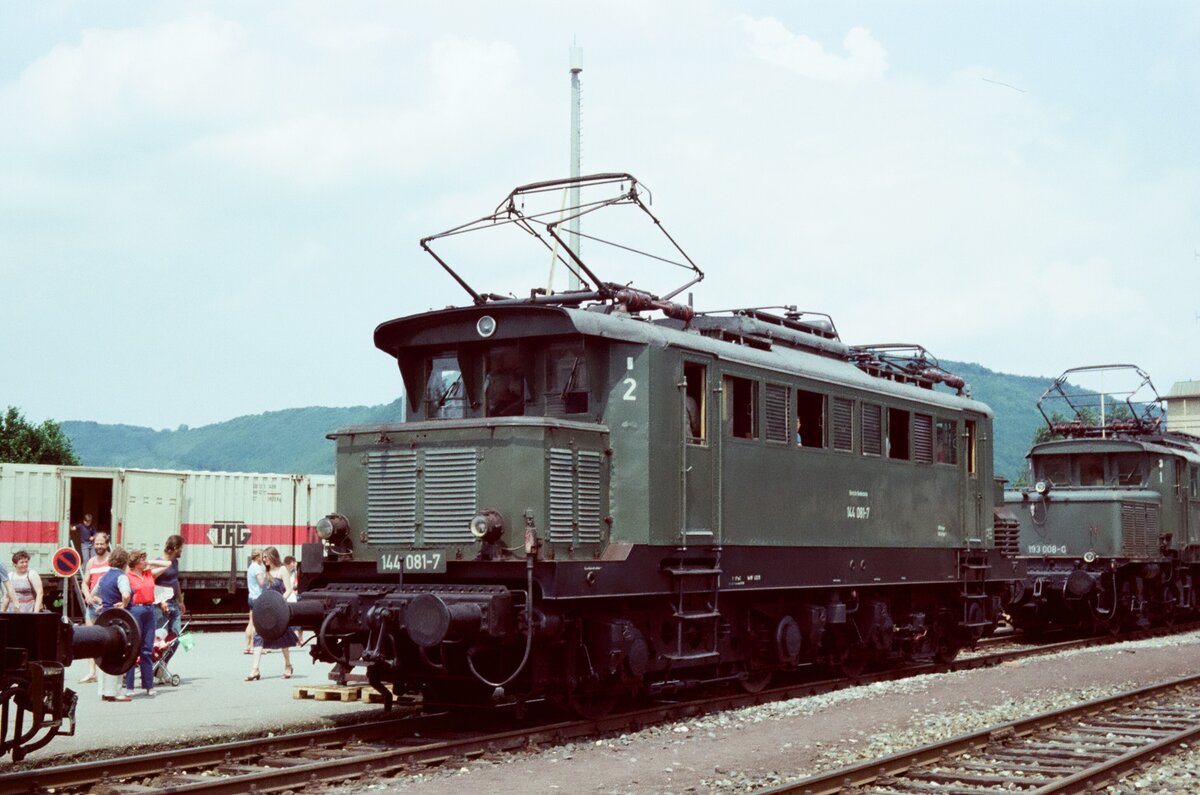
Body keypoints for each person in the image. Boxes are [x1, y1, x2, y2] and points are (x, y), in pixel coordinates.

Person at [246, 547, 297, 681]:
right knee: (258, 636)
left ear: (273, 556)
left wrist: (281, 601)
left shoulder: (282, 570)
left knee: (282, 637)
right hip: (265, 608)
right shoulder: (266, 571)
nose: (264, 559)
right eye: (263, 557)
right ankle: (255, 669)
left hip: (278, 609)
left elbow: (288, 589)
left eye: (266, 557)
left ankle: (288, 665)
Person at [95, 547, 132, 702]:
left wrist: (102, 604)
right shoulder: (122, 577)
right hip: (117, 621)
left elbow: (93, 594)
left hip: (104, 617)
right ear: (124, 562)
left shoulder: (103, 577)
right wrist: (124, 604)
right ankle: (115, 692)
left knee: (104, 653)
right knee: (117, 653)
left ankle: (103, 691)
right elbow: (126, 594)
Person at [122, 550, 158, 698]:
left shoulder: (149, 574)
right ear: (136, 562)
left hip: (150, 610)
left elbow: (167, 564)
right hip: (135, 610)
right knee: (133, 648)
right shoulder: (127, 576)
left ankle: (148, 685)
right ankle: (129, 685)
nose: (146, 561)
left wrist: (149, 563)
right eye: (143, 559)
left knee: (147, 649)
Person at [78, 532, 113, 683]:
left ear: (107, 544)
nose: (99, 546)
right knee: (89, 639)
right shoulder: (91, 562)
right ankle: (92, 672)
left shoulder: (112, 560)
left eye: (102, 543)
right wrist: (87, 595)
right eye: (97, 544)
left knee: (110, 639)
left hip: (107, 605)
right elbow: (85, 582)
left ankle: (108, 670)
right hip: (92, 605)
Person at [149, 535, 185, 639]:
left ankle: (169, 654)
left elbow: (175, 581)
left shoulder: (175, 562)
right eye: (181, 548)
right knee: (161, 636)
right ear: (175, 548)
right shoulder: (158, 562)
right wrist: (161, 602)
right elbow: (151, 584)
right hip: (162, 604)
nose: (181, 551)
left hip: (174, 602)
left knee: (175, 636)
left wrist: (181, 601)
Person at [244, 548, 265, 654]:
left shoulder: (251, 567)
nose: (264, 558)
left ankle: (247, 646)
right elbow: (262, 583)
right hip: (258, 597)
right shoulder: (258, 568)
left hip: (251, 597)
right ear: (257, 557)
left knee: (251, 622)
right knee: (257, 624)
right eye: (262, 556)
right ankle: (253, 646)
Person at [284, 555, 302, 644]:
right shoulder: (285, 572)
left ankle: (297, 638)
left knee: (295, 618)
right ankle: (293, 638)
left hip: (293, 597)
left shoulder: (293, 572)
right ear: (290, 563)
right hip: (289, 598)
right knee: (290, 619)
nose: (295, 564)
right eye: (294, 562)